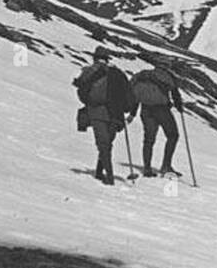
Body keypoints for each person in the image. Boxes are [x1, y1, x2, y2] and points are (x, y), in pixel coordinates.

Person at [74, 46, 136, 185]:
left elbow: (82, 93)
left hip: (97, 110)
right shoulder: (118, 73)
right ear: (107, 59)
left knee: (104, 143)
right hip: (116, 114)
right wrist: (130, 111)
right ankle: (102, 172)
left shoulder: (89, 71)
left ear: (95, 57)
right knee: (107, 143)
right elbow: (128, 94)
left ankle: (108, 176)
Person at [131, 57, 184, 177]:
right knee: (172, 135)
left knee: (148, 139)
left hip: (145, 110)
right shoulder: (168, 77)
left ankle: (147, 168)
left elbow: (136, 96)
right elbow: (175, 95)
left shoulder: (143, 76)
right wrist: (179, 107)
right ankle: (166, 166)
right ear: (166, 66)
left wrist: (132, 114)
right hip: (162, 110)